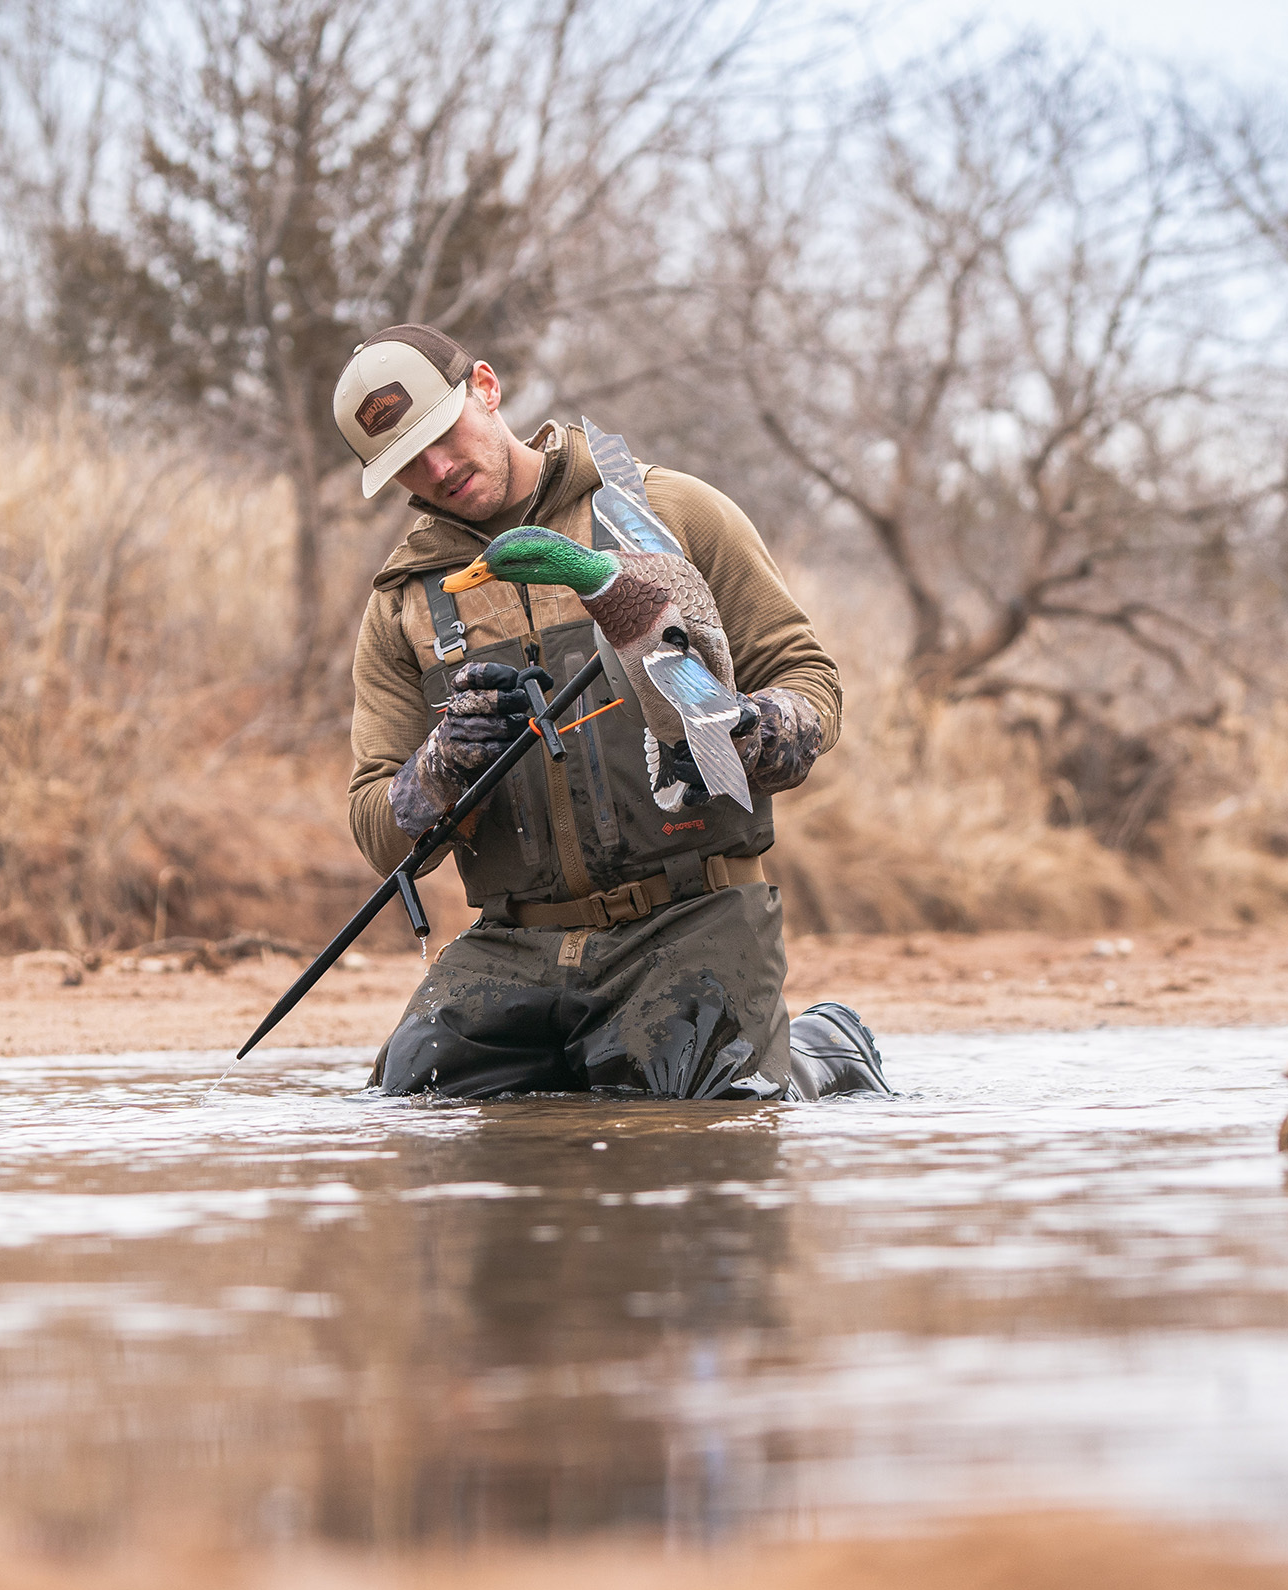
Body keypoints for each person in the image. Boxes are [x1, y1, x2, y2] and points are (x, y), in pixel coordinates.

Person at [333, 323, 889, 1100]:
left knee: (708, 1112)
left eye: (442, 433)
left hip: (688, 917)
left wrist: (742, 729)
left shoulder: (671, 510)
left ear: (485, 388)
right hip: (515, 943)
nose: (438, 469)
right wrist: (441, 766)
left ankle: (818, 1050)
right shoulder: (403, 605)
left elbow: (810, 680)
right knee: (411, 1107)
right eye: (406, 462)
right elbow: (376, 829)